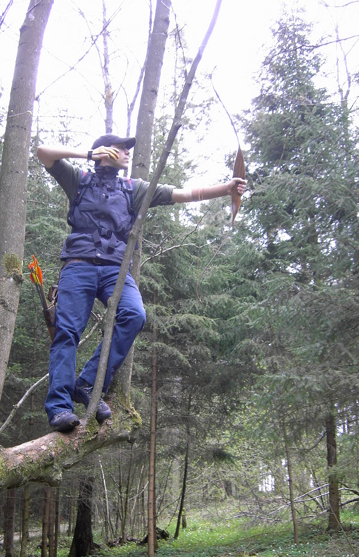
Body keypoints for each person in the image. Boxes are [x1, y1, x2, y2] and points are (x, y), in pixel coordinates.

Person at [37, 133, 246, 433]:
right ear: (106, 151)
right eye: (121, 149)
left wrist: (227, 188)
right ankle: (59, 408)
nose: (126, 153)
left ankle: (86, 382)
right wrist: (89, 153)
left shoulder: (135, 189)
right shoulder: (78, 179)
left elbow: (185, 194)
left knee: (135, 315)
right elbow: (43, 152)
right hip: (78, 265)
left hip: (114, 270)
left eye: (127, 150)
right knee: (67, 332)